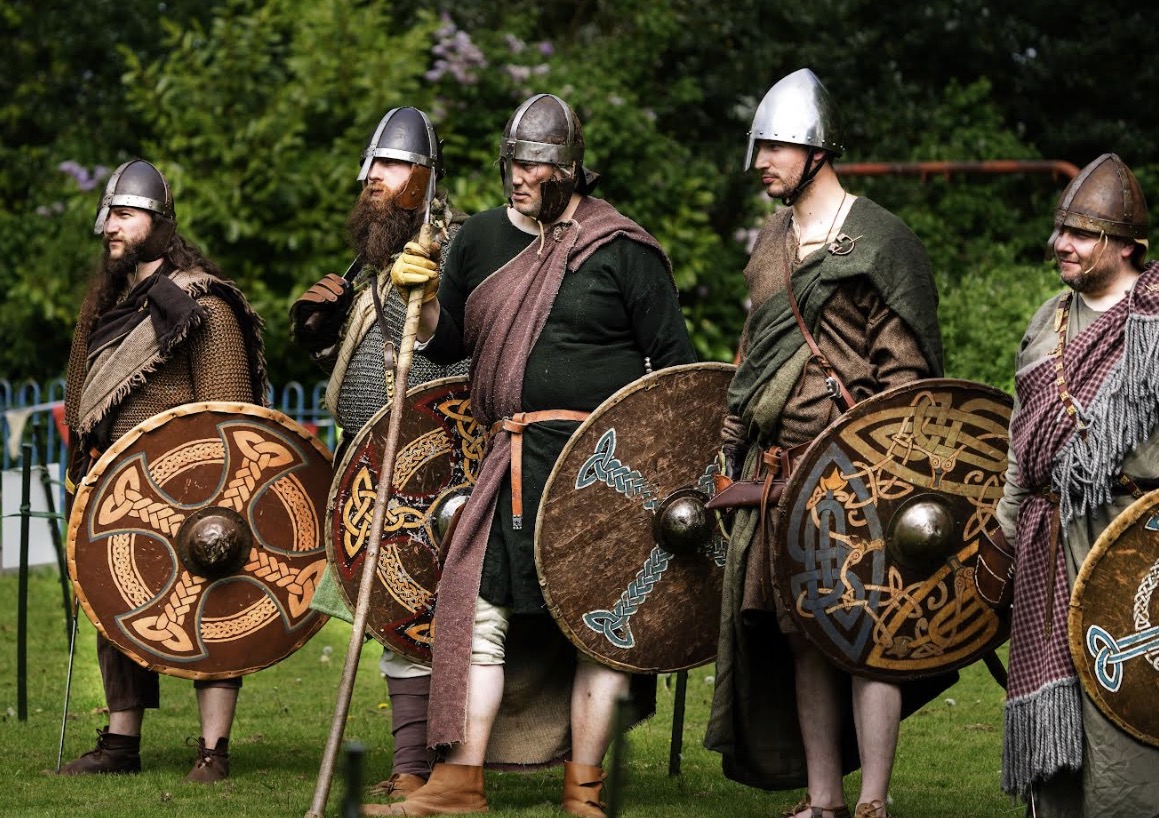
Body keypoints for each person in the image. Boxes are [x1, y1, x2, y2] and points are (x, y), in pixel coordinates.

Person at [379, 93, 696, 818]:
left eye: (535, 165)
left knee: (599, 623)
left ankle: (583, 790)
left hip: (603, 469)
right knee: (479, 610)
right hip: (510, 459)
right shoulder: (480, 239)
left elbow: (676, 372)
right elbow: (447, 343)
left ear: (570, 170)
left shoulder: (620, 247)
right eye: (512, 162)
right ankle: (460, 781)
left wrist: (680, 478)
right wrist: (423, 302)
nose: (518, 175)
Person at [703, 69, 944, 818]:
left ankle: (872, 798)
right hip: (779, 476)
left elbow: (905, 375)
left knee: (863, 628)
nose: (760, 162)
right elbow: (753, 354)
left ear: (814, 150)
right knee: (802, 632)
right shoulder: (770, 242)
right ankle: (822, 797)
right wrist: (729, 437)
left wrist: (870, 452)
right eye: (759, 147)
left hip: (858, 470)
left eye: (772, 147)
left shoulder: (879, 240)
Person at [60, 158, 268, 782]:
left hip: (197, 488)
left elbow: (232, 410)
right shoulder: (108, 304)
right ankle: (121, 743)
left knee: (212, 606)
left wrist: (214, 485)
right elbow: (81, 397)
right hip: (118, 482)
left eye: (124, 215)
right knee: (116, 605)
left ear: (158, 221)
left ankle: (214, 750)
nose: (110, 228)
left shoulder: (200, 303)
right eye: (109, 216)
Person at [289, 106, 468, 802]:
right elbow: (365, 364)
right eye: (371, 167)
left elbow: (455, 353)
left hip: (433, 467)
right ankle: (409, 763)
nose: (371, 179)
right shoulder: (373, 263)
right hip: (371, 465)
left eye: (388, 168)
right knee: (396, 618)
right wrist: (323, 339)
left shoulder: (448, 255)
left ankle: (429, 763)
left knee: (422, 618)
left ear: (423, 177)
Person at [992, 152, 1159, 817]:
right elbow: (1018, 436)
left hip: (1135, 545)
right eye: (1061, 231)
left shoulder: (1154, 323)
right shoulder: (1045, 319)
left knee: (1128, 711)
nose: (1059, 244)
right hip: (1046, 539)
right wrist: (1002, 531)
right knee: (1054, 717)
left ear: (1123, 246)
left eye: (1080, 234)